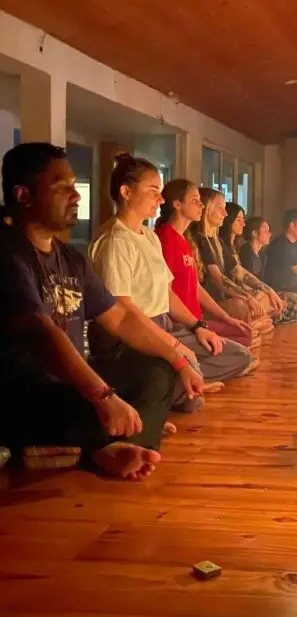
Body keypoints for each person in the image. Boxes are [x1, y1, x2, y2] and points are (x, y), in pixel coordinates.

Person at [0, 143, 204, 480]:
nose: (75, 195)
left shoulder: (70, 259)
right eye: (62, 187)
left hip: (70, 385)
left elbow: (119, 317)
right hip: (24, 390)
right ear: (23, 195)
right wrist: (104, 395)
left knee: (156, 373)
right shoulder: (8, 253)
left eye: (74, 185)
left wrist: (178, 359)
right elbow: (41, 331)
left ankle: (117, 444)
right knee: (88, 404)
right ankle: (105, 447)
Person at [89, 155, 253, 410]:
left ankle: (186, 380)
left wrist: (198, 327)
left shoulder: (148, 237)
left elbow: (167, 293)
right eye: (154, 191)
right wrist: (173, 347)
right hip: (132, 335)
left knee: (239, 356)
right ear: (126, 192)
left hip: (164, 324)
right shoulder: (116, 240)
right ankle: (183, 383)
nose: (161, 199)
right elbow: (122, 310)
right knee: (192, 401)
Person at [154, 179, 253, 347]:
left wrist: (226, 318)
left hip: (197, 321)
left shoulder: (184, 240)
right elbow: (166, 293)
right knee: (242, 348)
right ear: (177, 204)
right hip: (183, 324)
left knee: (245, 334)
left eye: (201, 201)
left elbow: (195, 287)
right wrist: (196, 325)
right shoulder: (165, 239)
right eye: (195, 201)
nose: (201, 205)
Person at [190, 188, 271, 329]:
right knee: (241, 305)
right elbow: (219, 278)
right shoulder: (200, 239)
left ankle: (252, 327)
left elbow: (238, 271)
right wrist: (248, 297)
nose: (225, 214)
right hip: (210, 304)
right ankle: (252, 327)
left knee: (263, 297)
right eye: (220, 208)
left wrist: (269, 291)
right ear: (207, 208)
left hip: (223, 301)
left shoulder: (217, 241)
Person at [221, 201, 285, 323]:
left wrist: (269, 292)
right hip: (231, 296)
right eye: (239, 220)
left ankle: (261, 321)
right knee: (262, 300)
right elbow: (238, 279)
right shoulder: (245, 252)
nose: (243, 224)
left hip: (244, 293)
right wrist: (253, 295)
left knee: (270, 299)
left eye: (243, 220)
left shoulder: (235, 247)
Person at [240, 215, 297, 323]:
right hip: (251, 294)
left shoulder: (262, 255)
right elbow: (246, 282)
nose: (269, 233)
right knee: (272, 303)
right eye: (265, 229)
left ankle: (272, 316)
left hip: (263, 292)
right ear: (254, 233)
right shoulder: (246, 253)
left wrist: (274, 295)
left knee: (292, 299)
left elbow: (263, 281)